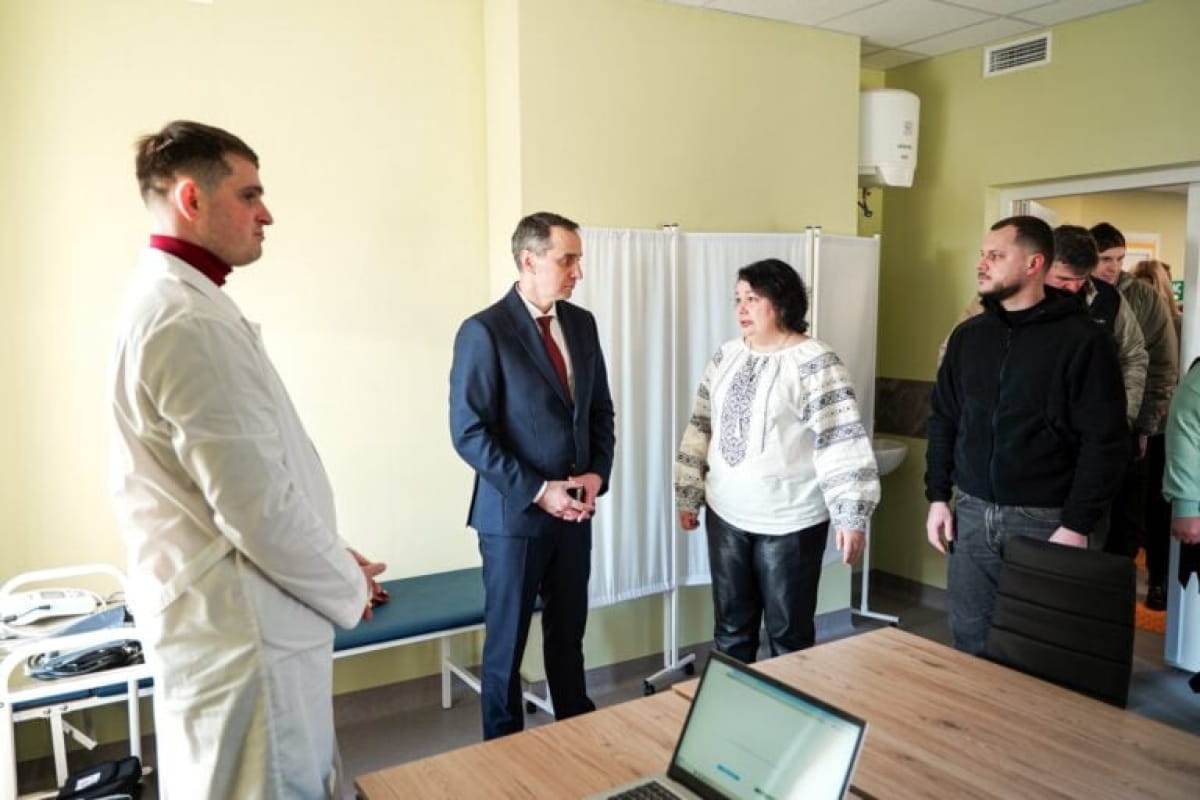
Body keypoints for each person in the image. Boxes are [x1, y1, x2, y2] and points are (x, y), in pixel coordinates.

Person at [109, 120, 386, 798]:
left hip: (236, 614)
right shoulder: (187, 320)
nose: (267, 214)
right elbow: (256, 509)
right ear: (191, 199)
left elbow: (250, 482)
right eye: (250, 195)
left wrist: (329, 550)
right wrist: (347, 585)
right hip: (243, 628)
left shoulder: (181, 303)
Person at [926, 216, 1128, 655]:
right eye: (982, 255)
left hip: (1046, 518)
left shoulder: (1084, 341)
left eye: (996, 256)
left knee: (1040, 649)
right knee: (969, 640)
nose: (982, 264)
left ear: (1034, 263)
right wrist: (938, 496)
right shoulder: (968, 337)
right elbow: (944, 418)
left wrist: (1076, 524)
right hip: (972, 512)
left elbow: (1105, 441)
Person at [449, 211, 615, 740]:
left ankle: (576, 742)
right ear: (529, 260)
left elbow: (599, 412)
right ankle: (503, 757)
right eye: (567, 260)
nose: (577, 272)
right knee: (506, 649)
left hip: (575, 513)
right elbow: (468, 432)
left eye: (578, 261)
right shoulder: (484, 331)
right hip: (513, 519)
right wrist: (540, 491)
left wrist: (597, 474)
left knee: (568, 638)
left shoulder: (582, 325)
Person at [674, 259, 878, 663]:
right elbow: (701, 424)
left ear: (782, 302)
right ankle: (732, 701)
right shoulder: (726, 356)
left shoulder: (815, 361)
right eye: (737, 299)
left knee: (789, 636)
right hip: (726, 515)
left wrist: (851, 515)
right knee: (731, 630)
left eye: (752, 299)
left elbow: (840, 438)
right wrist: (688, 490)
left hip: (790, 521)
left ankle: (789, 704)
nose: (741, 309)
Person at [937, 225, 1147, 432]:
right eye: (1063, 279)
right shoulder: (1001, 294)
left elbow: (1133, 357)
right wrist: (975, 416)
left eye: (1082, 279)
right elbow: (952, 355)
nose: (1073, 288)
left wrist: (1121, 418)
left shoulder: (1110, 299)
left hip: (1086, 430)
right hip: (1010, 432)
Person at [1090, 223, 1179, 558]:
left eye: (1119, 258)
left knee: (1126, 516)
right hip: (1085, 422)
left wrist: (1144, 426)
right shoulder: (1072, 292)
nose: (1113, 267)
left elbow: (1161, 366)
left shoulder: (1144, 297)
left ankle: (1121, 582)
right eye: (1105, 259)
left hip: (1130, 424)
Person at [1133, 259, 1184, 609]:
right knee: (1144, 505)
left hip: (1163, 429)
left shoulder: (1180, 326)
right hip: (1140, 425)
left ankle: (1159, 579)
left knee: (1156, 505)